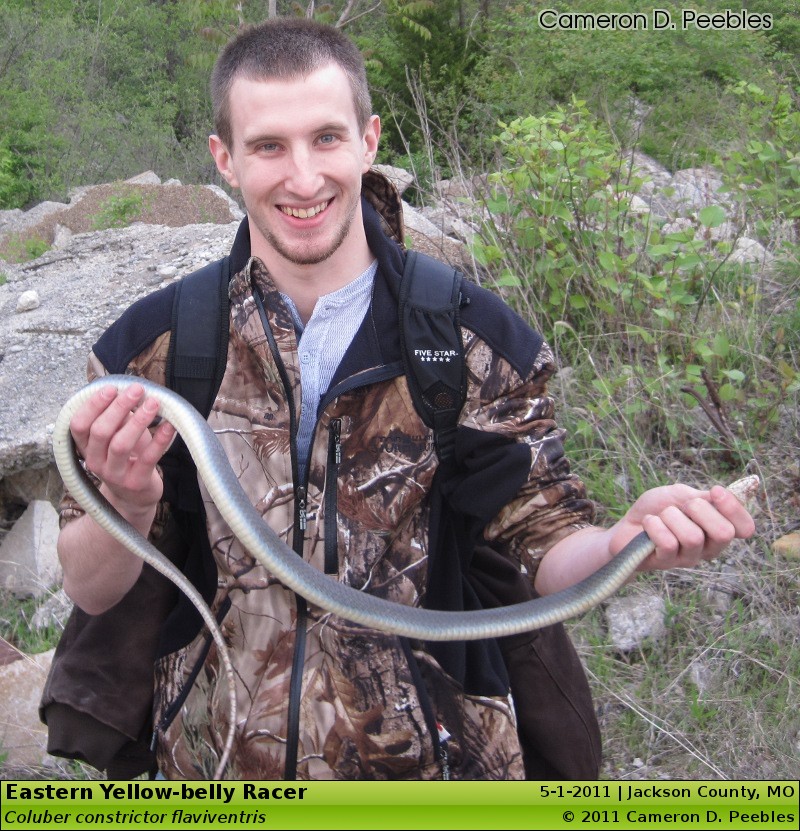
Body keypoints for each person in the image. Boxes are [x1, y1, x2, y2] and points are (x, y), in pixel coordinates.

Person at [55, 18, 755, 780]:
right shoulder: (151, 348)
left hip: (436, 781)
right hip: (213, 772)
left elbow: (549, 544)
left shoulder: (473, 339)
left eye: (326, 138)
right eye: (268, 146)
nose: (303, 177)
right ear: (224, 159)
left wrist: (625, 545)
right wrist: (123, 505)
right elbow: (91, 586)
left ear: (369, 140)